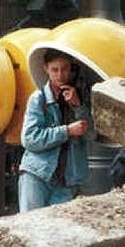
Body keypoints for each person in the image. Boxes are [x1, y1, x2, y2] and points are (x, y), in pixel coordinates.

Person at [18, 49, 94, 211]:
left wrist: (78, 107)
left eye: (65, 69)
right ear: (46, 69)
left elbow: (91, 134)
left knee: (61, 231)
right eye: (55, 70)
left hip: (67, 180)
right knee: (31, 227)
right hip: (37, 174)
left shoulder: (79, 96)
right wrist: (66, 131)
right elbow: (30, 138)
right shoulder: (39, 99)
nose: (60, 75)